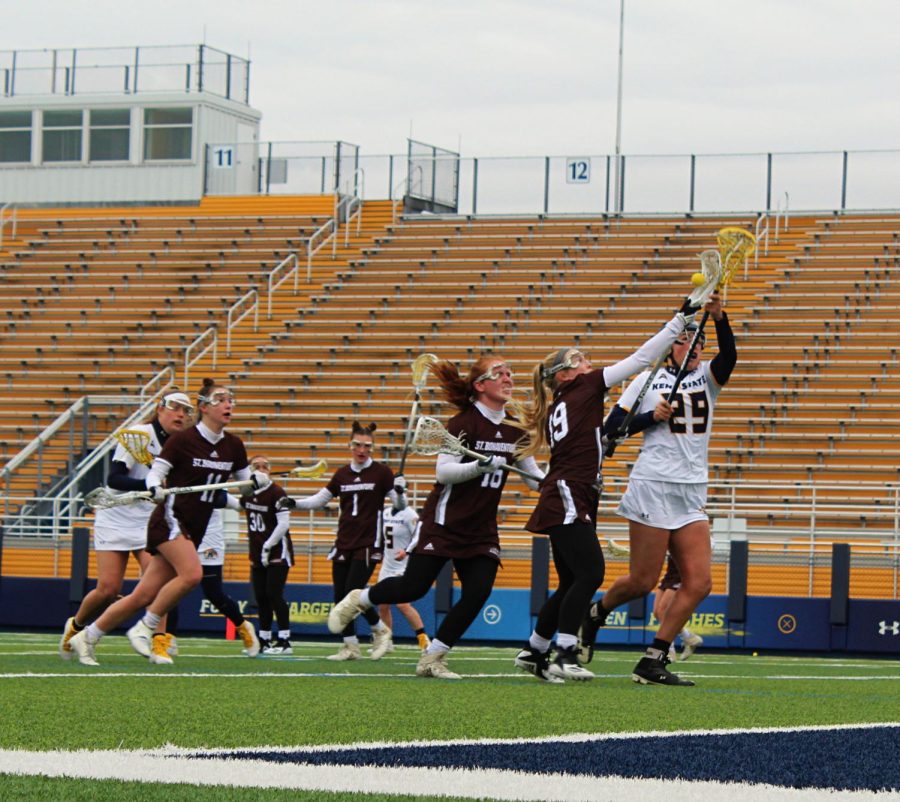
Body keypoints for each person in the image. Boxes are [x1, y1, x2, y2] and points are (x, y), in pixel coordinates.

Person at [512, 298, 700, 683]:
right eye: (579, 360)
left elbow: (593, 441)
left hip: (570, 489)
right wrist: (676, 323)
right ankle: (564, 651)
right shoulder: (582, 387)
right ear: (565, 375)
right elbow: (640, 358)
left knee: (570, 580)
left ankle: (534, 650)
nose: (586, 364)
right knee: (591, 572)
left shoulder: (562, 404)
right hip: (570, 491)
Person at [327, 357, 543, 679]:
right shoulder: (462, 424)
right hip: (444, 522)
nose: (508, 378)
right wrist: (479, 467)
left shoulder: (515, 430)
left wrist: (567, 479)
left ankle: (433, 656)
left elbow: (533, 477)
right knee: (412, 588)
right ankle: (362, 597)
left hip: (481, 529)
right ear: (480, 385)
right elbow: (443, 472)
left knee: (478, 592)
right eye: (499, 374)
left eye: (510, 373)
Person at [580, 293, 735, 686]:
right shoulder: (644, 381)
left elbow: (729, 358)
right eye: (686, 340)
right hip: (653, 485)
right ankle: (595, 614)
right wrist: (651, 417)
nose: (696, 347)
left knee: (700, 582)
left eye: (699, 342)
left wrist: (719, 318)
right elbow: (611, 430)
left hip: (691, 490)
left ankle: (653, 659)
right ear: (670, 346)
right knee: (642, 581)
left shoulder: (707, 378)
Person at [68, 379, 266, 666]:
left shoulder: (234, 446)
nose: (228, 404)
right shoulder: (183, 441)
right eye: (221, 399)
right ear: (204, 407)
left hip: (194, 527)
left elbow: (244, 487)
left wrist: (256, 483)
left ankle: (86, 636)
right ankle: (146, 627)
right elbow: (154, 474)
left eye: (230, 399)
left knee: (143, 594)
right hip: (170, 520)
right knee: (192, 574)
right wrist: (153, 487)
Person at [59, 390, 194, 660]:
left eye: (185, 410)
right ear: (160, 409)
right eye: (175, 408)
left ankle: (158, 643)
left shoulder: (182, 444)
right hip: (117, 515)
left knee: (158, 581)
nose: (180, 414)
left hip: (148, 519)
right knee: (108, 589)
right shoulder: (138, 435)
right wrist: (149, 486)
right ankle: (75, 627)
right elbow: (115, 479)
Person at [277, 422, 403, 661]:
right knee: (339, 597)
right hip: (344, 541)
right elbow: (319, 500)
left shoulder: (382, 473)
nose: (362, 449)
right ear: (350, 445)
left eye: (367, 446)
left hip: (368, 542)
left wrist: (401, 492)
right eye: (357, 444)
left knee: (351, 594)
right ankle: (350, 647)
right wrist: (295, 503)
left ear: (372, 448)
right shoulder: (342, 473)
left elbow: (399, 505)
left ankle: (380, 629)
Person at [226, 454, 293, 655]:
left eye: (265, 466)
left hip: (278, 552)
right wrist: (220, 493)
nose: (261, 469)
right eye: (256, 466)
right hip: (256, 553)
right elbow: (239, 506)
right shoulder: (249, 492)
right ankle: (264, 640)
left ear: (270, 470)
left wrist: (268, 546)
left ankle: (285, 641)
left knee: (274, 595)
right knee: (261, 598)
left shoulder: (277, 492)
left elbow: (284, 524)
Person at [376, 504, 430, 652]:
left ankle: (423, 640)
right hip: (387, 565)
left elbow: (420, 537)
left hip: (403, 565)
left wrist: (407, 551)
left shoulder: (409, 514)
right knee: (382, 605)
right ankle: (387, 642)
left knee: (402, 604)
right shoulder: (386, 512)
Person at [653, 554, 703, 663]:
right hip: (670, 572)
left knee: (663, 610)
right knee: (657, 612)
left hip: (679, 572)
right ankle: (689, 637)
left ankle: (669, 649)